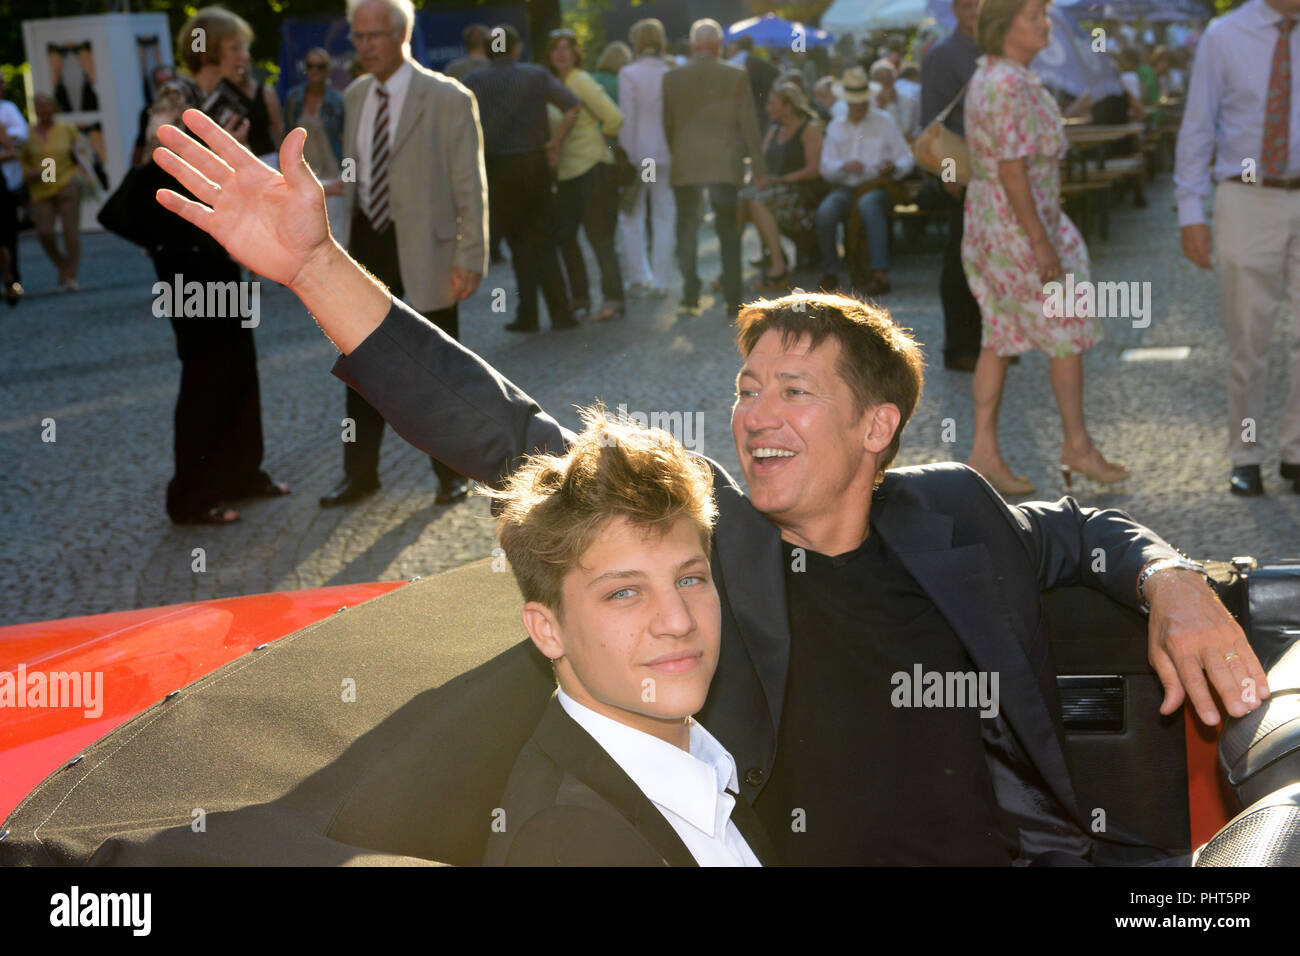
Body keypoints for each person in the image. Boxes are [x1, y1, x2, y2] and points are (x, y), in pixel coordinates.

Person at [152, 106, 1269, 864]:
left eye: (792, 389)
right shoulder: (710, 542)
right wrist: (309, 263)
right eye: (744, 387)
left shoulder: (954, 511)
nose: (751, 414)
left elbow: (1080, 528)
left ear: (877, 425)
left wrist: (1169, 575)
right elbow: (498, 427)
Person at [483, 408, 775, 866]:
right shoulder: (569, 845)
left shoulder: (707, 757)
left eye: (689, 580)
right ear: (548, 630)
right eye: (624, 592)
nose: (677, 622)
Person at [318, 0, 486, 509]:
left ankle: (450, 474)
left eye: (374, 36)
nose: (363, 46)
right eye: (358, 36)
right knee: (360, 364)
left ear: (401, 34)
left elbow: (469, 183)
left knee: (437, 371)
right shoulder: (354, 95)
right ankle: (360, 474)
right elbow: (358, 170)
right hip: (367, 244)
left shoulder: (447, 97)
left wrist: (470, 255)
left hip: (428, 252)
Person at [960, 0, 1128, 497]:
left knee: (1000, 333)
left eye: (1043, 14)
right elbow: (1012, 168)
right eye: (1032, 16)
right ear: (1003, 28)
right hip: (1019, 229)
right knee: (1066, 329)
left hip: (999, 225)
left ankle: (984, 452)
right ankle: (1076, 444)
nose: (1044, 24)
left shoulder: (998, 75)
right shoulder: (1007, 82)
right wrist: (1040, 242)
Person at [144, 6, 290, 524]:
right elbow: (156, 151)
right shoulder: (177, 95)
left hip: (225, 246)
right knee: (205, 369)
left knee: (239, 361)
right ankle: (191, 496)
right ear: (207, 48)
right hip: (185, 252)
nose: (244, 58)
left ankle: (242, 472)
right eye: (235, 49)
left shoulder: (238, 97)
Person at [1175, 0, 1300, 496]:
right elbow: (1198, 123)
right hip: (1247, 196)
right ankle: (1246, 454)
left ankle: (1297, 452)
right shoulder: (1224, 35)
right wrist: (1190, 209)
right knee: (1250, 333)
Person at [463, 24, 580, 333]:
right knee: (545, 239)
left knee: (519, 244)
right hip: (535, 163)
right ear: (516, 49)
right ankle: (561, 312)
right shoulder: (536, 75)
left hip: (498, 168)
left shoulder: (473, 81)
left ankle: (527, 315)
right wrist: (555, 143)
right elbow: (572, 105)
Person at [663, 18, 765, 318]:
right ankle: (733, 298)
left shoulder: (672, 77)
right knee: (728, 232)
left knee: (688, 230)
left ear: (694, 46)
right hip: (725, 163)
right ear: (719, 46)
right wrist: (758, 165)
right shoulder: (735, 74)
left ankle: (690, 294)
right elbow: (748, 122)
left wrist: (678, 153)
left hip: (686, 164)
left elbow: (667, 125)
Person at [545, 29, 625, 323]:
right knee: (565, 236)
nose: (561, 53)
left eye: (567, 48)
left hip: (592, 168)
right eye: (556, 48)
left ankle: (614, 299)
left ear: (575, 53)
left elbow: (614, 118)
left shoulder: (581, 80)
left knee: (600, 238)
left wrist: (599, 144)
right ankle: (579, 297)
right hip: (566, 174)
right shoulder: (553, 83)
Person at [921, 0, 984, 371]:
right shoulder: (943, 54)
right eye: (966, 3)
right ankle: (960, 346)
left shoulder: (996, 48)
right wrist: (948, 173)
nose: (973, 9)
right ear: (957, 10)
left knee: (993, 258)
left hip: (995, 169)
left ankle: (993, 342)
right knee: (960, 258)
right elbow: (933, 120)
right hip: (960, 166)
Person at [815, 66, 913, 296]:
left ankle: (879, 274)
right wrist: (843, 167)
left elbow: (906, 158)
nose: (859, 106)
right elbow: (825, 167)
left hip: (877, 185)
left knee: (869, 204)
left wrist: (894, 167)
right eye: (854, 102)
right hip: (846, 186)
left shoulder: (885, 121)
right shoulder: (836, 125)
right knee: (826, 212)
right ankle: (830, 271)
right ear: (847, 102)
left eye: (862, 102)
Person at [743, 82, 824, 292]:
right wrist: (759, 177)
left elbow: (813, 170)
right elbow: (761, 160)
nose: (768, 108)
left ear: (788, 106)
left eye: (772, 103)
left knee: (757, 201)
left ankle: (778, 267)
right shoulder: (775, 130)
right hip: (776, 189)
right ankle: (731, 268)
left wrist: (779, 180)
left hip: (804, 193)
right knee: (741, 200)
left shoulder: (809, 129)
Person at [617, 17, 675, 298]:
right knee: (665, 215)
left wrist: (628, 154)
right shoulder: (671, 69)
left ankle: (640, 275)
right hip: (667, 152)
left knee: (633, 215)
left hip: (640, 152)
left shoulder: (629, 72)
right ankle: (662, 279)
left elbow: (628, 119)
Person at [20, 94, 86, 292]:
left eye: (47, 105)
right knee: (45, 232)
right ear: (34, 109)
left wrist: (78, 172)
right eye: (39, 106)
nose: (43, 109)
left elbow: (81, 154)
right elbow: (21, 159)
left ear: (54, 107)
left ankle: (71, 276)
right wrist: (28, 172)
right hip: (41, 187)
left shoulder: (66, 129)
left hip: (66, 182)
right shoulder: (27, 133)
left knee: (70, 233)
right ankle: (63, 266)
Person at [283, 48, 344, 236]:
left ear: (327, 69)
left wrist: (348, 179)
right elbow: (286, 138)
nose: (315, 70)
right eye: (310, 66)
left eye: (320, 66)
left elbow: (347, 141)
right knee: (304, 235)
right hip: (304, 177)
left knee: (337, 238)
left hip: (333, 176)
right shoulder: (293, 99)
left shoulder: (338, 101)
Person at [218, 20, 284, 165]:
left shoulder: (265, 91)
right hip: (236, 160)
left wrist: (283, 160)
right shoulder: (224, 92)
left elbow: (278, 128)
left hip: (267, 158)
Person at [0, 73, 27, 306]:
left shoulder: (7, 110)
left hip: (7, 184)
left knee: (6, 237)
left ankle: (11, 280)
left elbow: (16, 144)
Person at [729, 35, 781, 133]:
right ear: (752, 46)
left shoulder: (729, 64)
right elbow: (776, 73)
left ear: (738, 46)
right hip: (756, 113)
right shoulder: (761, 64)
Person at [132, 64, 175, 167]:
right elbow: (140, 144)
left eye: (170, 82)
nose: (167, 87)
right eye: (161, 83)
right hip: (157, 167)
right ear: (155, 86)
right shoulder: (149, 112)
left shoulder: (189, 107)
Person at [870, 58, 919, 141]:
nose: (885, 83)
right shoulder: (869, 103)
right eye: (880, 79)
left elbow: (903, 131)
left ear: (894, 79)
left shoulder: (907, 101)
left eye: (888, 78)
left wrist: (889, 104)